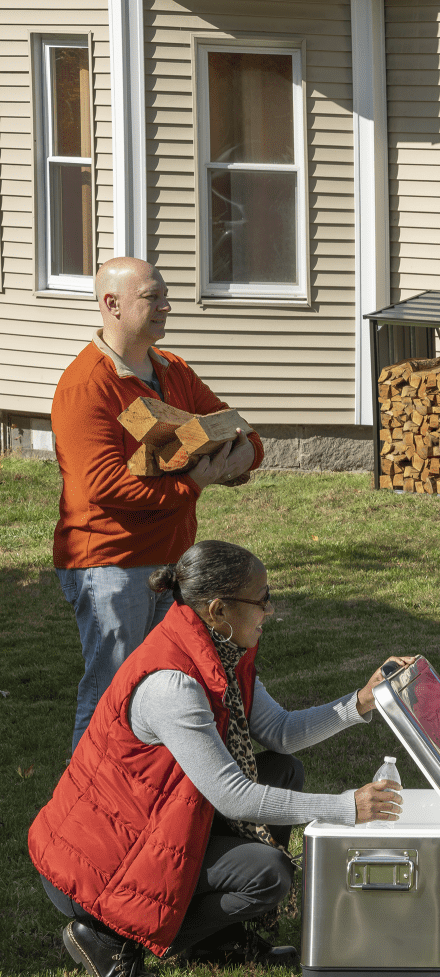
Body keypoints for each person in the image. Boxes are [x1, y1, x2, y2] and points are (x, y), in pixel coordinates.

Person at [28, 540, 409, 977]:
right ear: (217, 610)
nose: (270, 609)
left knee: (284, 769)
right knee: (269, 875)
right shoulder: (174, 686)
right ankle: (110, 937)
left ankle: (218, 941)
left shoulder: (220, 654)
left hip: (147, 827)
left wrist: (361, 702)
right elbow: (234, 796)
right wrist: (348, 808)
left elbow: (280, 731)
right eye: (261, 599)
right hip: (95, 869)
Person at [52, 257, 264, 750]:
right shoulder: (88, 387)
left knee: (162, 684)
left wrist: (231, 462)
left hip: (170, 561)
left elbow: (247, 438)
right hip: (109, 563)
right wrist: (194, 483)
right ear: (113, 304)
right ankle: (83, 806)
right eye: (153, 297)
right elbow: (103, 486)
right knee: (111, 690)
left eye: (164, 294)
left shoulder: (173, 371)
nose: (167, 305)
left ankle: (137, 790)